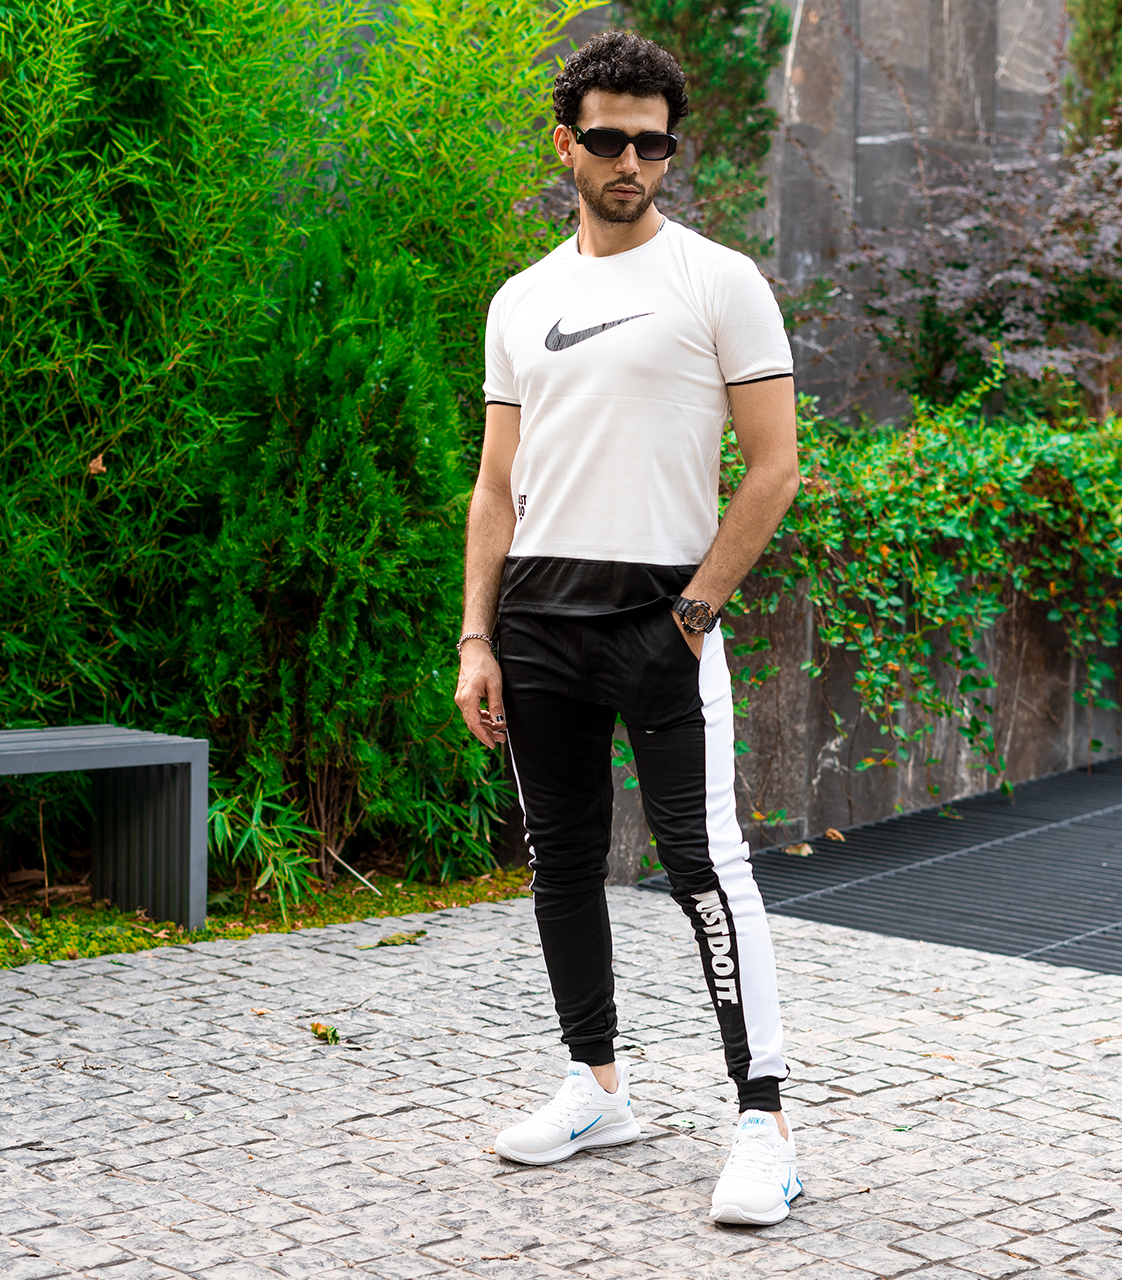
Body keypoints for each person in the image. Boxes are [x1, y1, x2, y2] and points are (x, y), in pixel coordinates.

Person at [453, 29, 802, 1226]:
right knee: (558, 860)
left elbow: (773, 469)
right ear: (566, 143)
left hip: (662, 614)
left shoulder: (719, 281)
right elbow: (494, 485)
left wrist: (693, 613)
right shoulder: (521, 299)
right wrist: (476, 636)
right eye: (607, 139)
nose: (630, 163)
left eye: (652, 145)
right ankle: (595, 1085)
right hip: (536, 617)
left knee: (705, 867)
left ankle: (762, 1123)